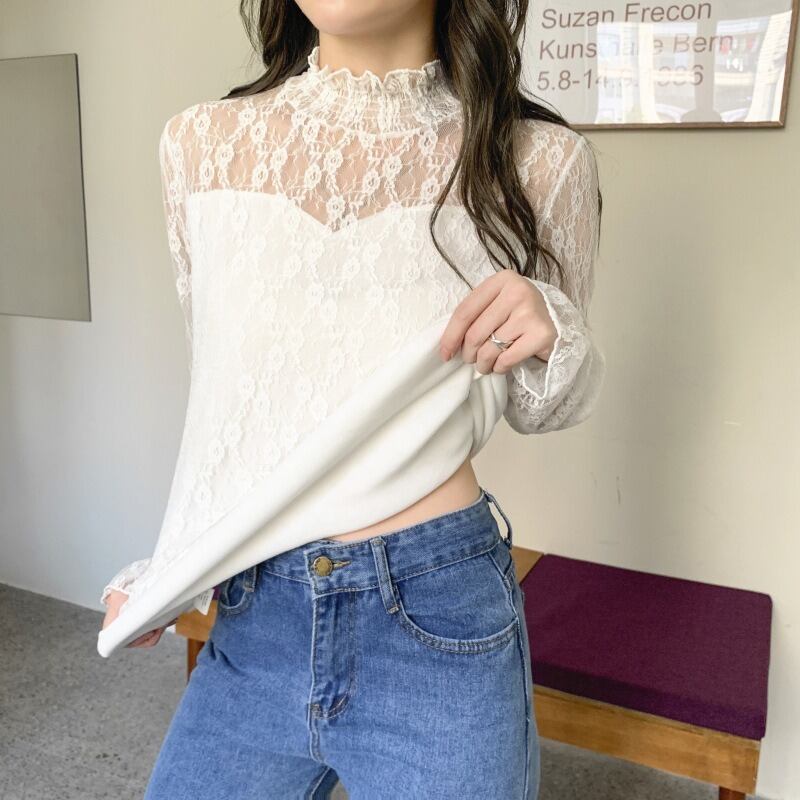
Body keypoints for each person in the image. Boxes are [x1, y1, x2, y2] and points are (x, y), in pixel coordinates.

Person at [100, 1, 606, 797]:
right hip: (257, 612)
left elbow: (545, 407)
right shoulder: (200, 145)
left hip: (436, 613)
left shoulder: (542, 159)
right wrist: (176, 566)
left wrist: (551, 327)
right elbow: (235, 411)